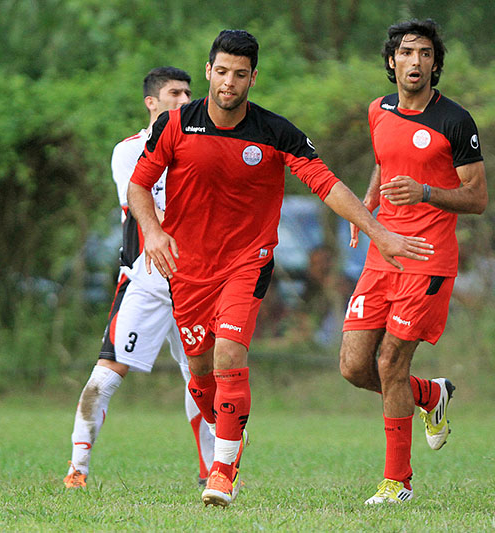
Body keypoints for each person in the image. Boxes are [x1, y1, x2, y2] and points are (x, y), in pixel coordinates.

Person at [127, 30, 434, 508]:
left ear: (253, 77)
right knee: (202, 378)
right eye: (222, 72)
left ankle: (223, 473)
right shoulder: (175, 125)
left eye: (240, 74)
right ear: (209, 71)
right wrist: (155, 232)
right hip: (187, 269)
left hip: (246, 263)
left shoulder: (275, 133)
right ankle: (229, 428)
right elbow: (138, 187)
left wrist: (377, 230)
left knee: (230, 354)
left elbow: (325, 183)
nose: (229, 83)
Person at [339, 19, 488, 504]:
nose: (416, 61)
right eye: (406, 52)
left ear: (435, 65)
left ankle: (397, 483)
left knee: (390, 361)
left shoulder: (455, 121)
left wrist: (426, 192)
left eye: (425, 53)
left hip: (427, 259)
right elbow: (384, 160)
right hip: (383, 255)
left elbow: (478, 197)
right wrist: (365, 210)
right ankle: (431, 395)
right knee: (354, 366)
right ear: (391, 61)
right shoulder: (378, 111)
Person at [64, 67, 215, 489]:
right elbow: (145, 209)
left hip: (197, 284)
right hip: (146, 280)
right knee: (107, 373)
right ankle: (78, 468)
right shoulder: (130, 150)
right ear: (152, 102)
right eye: (174, 93)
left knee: (202, 379)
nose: (185, 100)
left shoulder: (203, 146)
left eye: (188, 93)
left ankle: (213, 473)